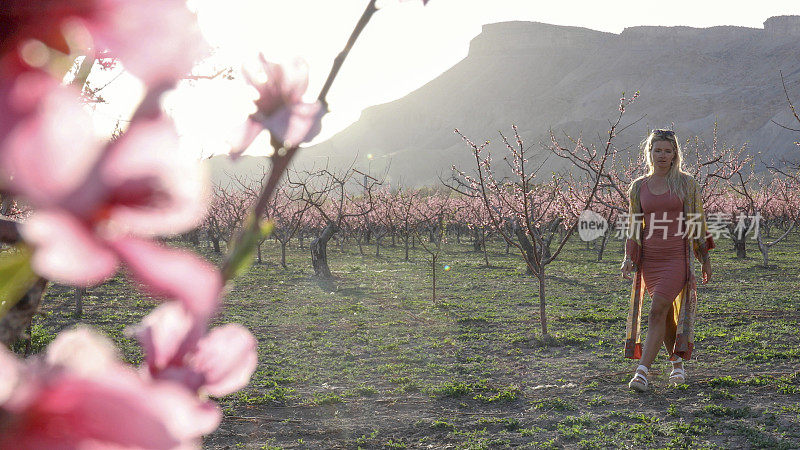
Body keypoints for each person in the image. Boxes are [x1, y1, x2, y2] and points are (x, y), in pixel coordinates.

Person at [620, 128, 715, 392]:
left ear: (675, 155)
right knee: (665, 315)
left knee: (656, 310)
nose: (662, 155)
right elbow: (634, 225)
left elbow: (697, 221)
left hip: (677, 258)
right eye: (657, 150)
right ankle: (677, 363)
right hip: (651, 260)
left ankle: (642, 372)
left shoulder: (686, 183)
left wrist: (704, 258)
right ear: (649, 152)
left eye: (668, 151)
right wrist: (629, 257)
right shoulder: (638, 186)